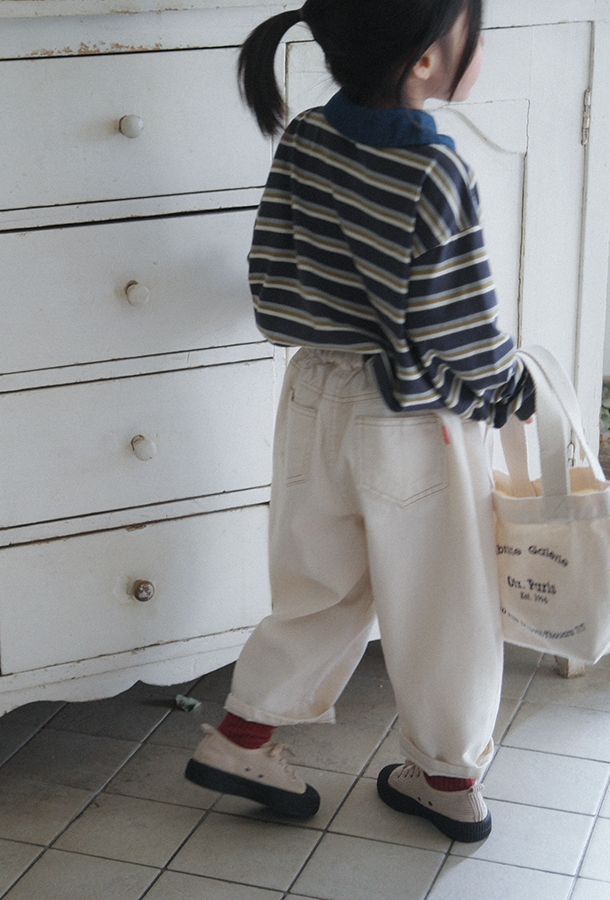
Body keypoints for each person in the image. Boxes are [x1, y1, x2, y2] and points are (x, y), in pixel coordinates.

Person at [184, 0, 535, 844]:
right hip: (409, 417)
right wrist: (504, 383)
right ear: (425, 60)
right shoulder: (436, 170)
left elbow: (270, 285)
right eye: (474, 29)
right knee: (443, 600)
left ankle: (241, 740)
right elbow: (459, 320)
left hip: (314, 396)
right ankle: (447, 778)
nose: (482, 44)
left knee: (319, 583)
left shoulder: (306, 138)